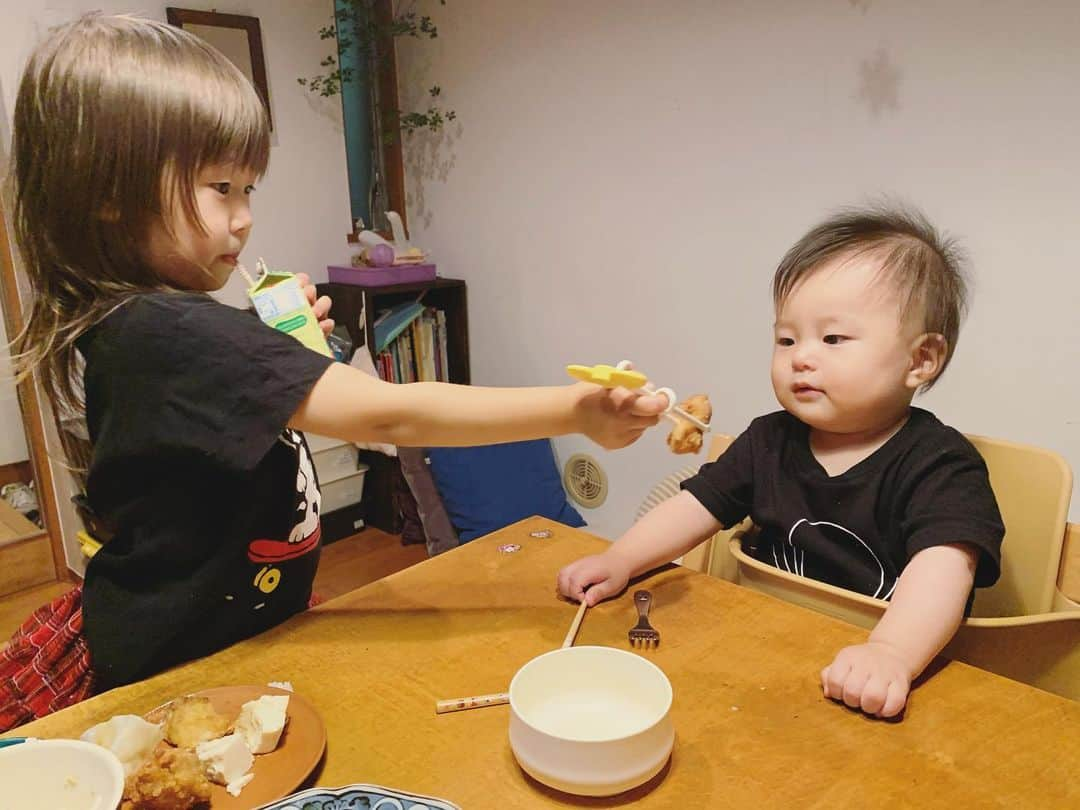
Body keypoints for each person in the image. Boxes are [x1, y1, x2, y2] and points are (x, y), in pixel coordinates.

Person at [0, 13, 667, 731]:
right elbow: (391, 414)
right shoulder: (173, 330)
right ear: (109, 191)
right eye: (220, 186)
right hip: (186, 657)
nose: (245, 216)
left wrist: (278, 353)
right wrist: (576, 411)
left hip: (233, 624)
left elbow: (212, 403)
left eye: (249, 188)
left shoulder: (152, 329)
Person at [557, 205, 1005, 719]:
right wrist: (621, 559)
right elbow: (695, 506)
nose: (801, 357)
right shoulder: (769, 438)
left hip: (869, 682)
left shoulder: (942, 465)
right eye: (786, 339)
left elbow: (945, 570)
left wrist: (890, 653)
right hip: (761, 658)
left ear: (920, 360)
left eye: (833, 338)